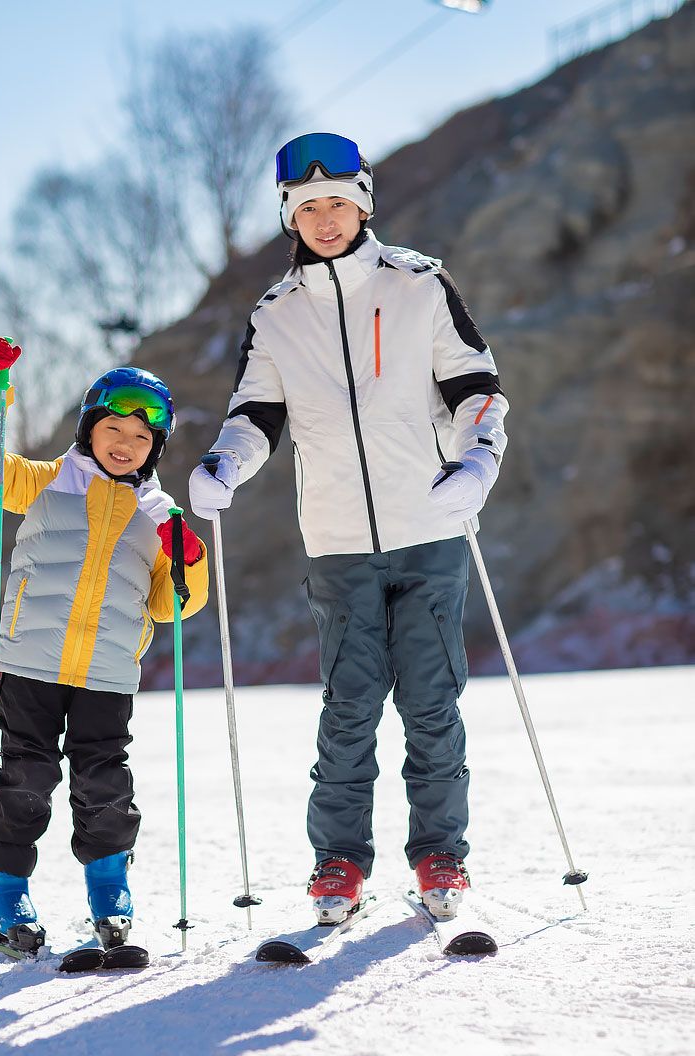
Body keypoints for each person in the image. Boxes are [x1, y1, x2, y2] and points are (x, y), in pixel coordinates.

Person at [189, 132, 508, 925]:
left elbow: (476, 387)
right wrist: (224, 463)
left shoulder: (417, 283)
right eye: (307, 207)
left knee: (432, 702)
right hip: (335, 538)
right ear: (288, 216)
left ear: (363, 203)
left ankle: (440, 854)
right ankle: (338, 862)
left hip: (429, 523)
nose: (325, 219)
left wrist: (476, 463)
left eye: (338, 203)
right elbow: (255, 414)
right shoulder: (276, 314)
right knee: (349, 704)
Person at [0, 340, 209, 955]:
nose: (125, 443)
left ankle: (109, 889)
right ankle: (5, 891)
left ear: (157, 449)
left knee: (104, 783)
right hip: (30, 663)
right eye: (113, 428)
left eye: (142, 438)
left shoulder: (159, 514)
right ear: (88, 429)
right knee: (27, 776)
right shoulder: (46, 483)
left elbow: (171, 605)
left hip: (107, 673)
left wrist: (189, 563)